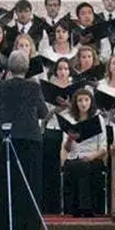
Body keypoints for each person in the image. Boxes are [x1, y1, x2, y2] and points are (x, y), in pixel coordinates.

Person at [0, 50, 49, 230]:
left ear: (8, 68)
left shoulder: (1, 85)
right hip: (29, 140)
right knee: (28, 187)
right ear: (28, 68)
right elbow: (43, 112)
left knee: (3, 188)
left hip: (3, 139)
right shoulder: (33, 87)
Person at [61, 88, 107, 217]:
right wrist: (70, 138)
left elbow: (103, 147)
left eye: (86, 100)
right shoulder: (71, 120)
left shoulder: (98, 119)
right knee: (74, 165)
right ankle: (77, 208)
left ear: (91, 102)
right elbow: (67, 149)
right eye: (80, 100)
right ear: (75, 103)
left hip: (93, 156)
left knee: (85, 166)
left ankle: (85, 208)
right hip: (74, 156)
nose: (83, 103)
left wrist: (92, 156)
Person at [42, 57, 73, 213]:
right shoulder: (49, 89)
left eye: (66, 69)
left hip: (70, 129)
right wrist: (56, 109)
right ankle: (51, 206)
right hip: (52, 128)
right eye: (60, 69)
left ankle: (68, 206)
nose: (63, 72)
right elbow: (44, 117)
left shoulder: (74, 88)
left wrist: (69, 106)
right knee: (51, 168)